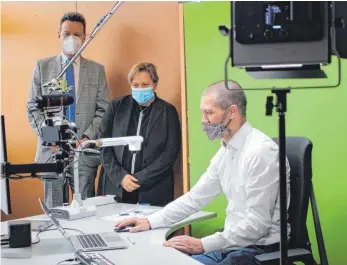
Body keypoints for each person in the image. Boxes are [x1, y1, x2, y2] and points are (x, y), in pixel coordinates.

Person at [116, 80, 291, 265]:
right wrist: (149, 221)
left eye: (209, 113)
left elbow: (257, 226)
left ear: (232, 111)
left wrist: (202, 244)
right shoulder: (226, 151)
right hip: (232, 246)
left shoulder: (261, 152)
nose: (203, 120)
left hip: (260, 250)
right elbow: (195, 198)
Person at [28, 12, 109, 208]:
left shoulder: (96, 70)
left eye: (77, 34)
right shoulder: (43, 66)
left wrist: (85, 139)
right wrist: (51, 139)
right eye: (66, 34)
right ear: (58, 35)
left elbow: (103, 110)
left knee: (86, 211)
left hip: (84, 153)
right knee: (54, 212)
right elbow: (33, 108)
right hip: (51, 152)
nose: (71, 39)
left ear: (85, 37)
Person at [97, 62, 181, 207]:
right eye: (135, 85)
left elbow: (170, 153)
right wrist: (121, 177)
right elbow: (103, 144)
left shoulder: (168, 111)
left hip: (153, 188)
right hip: (117, 185)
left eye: (145, 84)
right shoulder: (116, 107)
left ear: (155, 85)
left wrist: (140, 179)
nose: (140, 89)